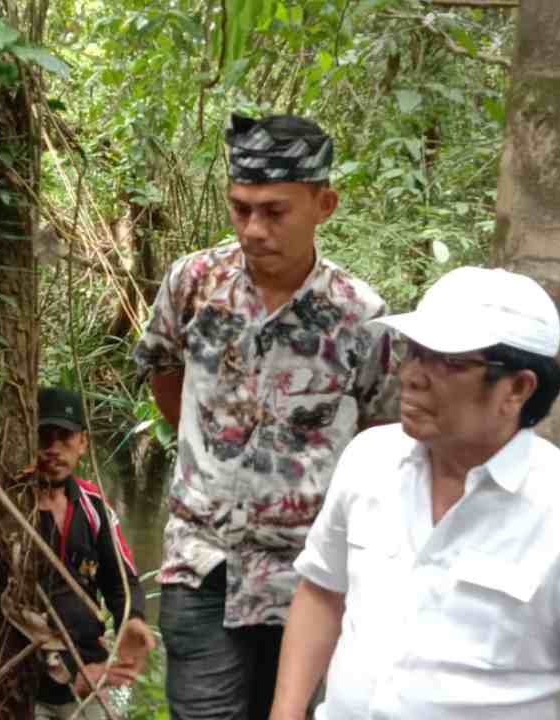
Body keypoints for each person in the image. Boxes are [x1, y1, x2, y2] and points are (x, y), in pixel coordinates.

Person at [269, 266, 560, 720]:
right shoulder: (369, 459)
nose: (414, 376)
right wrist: (286, 711)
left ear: (517, 388)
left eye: (450, 362)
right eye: (415, 353)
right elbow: (323, 588)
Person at [132, 113, 399, 720]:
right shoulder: (194, 283)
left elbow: (382, 442)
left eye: (274, 211)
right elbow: (165, 373)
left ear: (323, 204)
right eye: (240, 208)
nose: (253, 229)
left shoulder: (360, 316)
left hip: (312, 576)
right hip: (203, 562)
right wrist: (209, 463)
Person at [30, 387, 156, 720]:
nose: (54, 449)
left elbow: (121, 582)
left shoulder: (93, 506)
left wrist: (134, 620)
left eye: (65, 438)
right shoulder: (11, 507)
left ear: (83, 442)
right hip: (25, 684)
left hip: (89, 676)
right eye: (44, 437)